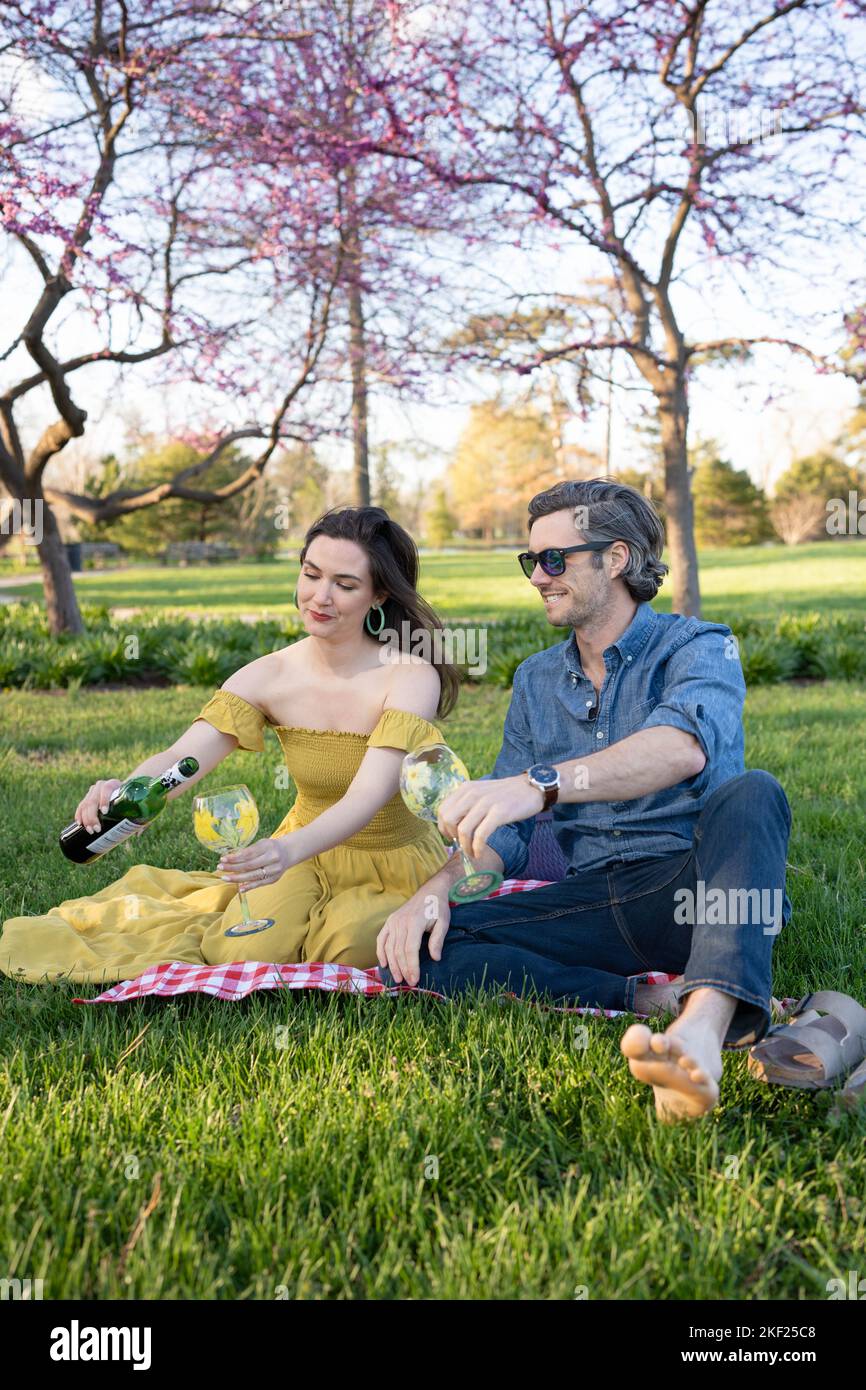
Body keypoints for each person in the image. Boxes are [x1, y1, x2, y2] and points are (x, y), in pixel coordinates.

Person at [377, 478, 792, 1123]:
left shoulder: (699, 647)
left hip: (698, 891)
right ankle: (645, 1000)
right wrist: (435, 891)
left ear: (616, 558)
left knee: (753, 793)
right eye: (531, 561)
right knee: (421, 952)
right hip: (596, 897)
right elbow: (505, 836)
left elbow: (681, 748)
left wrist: (541, 784)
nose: (538, 577)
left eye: (554, 559)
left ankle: (703, 1030)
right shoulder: (536, 680)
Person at [0, 507, 458, 986]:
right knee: (243, 948)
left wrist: (283, 851)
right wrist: (128, 787)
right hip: (298, 850)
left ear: (378, 593)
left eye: (344, 584)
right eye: (311, 574)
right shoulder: (269, 674)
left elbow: (366, 796)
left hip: (389, 857)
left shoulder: (408, 675)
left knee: (351, 949)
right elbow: (182, 757)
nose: (320, 597)